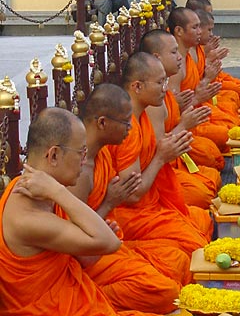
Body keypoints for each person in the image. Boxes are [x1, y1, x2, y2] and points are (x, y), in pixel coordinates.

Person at [0, 107, 159, 316]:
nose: (84, 161)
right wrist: (57, 191)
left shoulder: (38, 191)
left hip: (75, 296)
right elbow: (110, 243)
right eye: (81, 153)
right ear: (54, 155)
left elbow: (85, 258)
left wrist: (95, 239)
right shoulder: (28, 217)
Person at [69, 83, 192, 314]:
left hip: (111, 241)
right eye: (125, 122)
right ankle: (85, 297)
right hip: (89, 260)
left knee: (178, 261)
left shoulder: (102, 151)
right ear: (103, 123)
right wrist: (109, 203)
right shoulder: (78, 170)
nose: (129, 128)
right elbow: (76, 243)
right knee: (166, 291)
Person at [108, 52, 213, 259]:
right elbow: (133, 195)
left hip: (152, 200)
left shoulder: (143, 114)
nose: (165, 89)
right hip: (126, 215)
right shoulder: (126, 128)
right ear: (137, 87)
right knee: (189, 250)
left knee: (202, 220)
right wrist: (161, 157)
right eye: (159, 83)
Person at [139, 29, 222, 209]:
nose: (179, 57)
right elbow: (159, 151)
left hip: (171, 161)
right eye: (173, 52)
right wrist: (185, 122)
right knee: (203, 194)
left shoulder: (159, 89)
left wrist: (203, 86)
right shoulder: (150, 100)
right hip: (153, 182)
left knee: (213, 166)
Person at [167, 7, 239, 153]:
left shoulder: (188, 53)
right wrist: (204, 85)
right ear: (179, 31)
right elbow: (172, 116)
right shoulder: (175, 68)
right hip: (187, 124)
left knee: (231, 120)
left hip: (197, 111)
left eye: (200, 27)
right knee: (214, 152)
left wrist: (207, 76)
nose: (200, 31)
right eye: (195, 27)